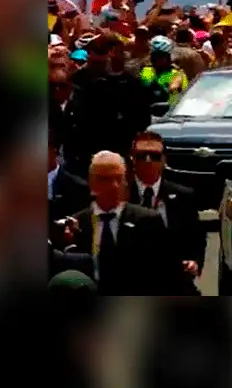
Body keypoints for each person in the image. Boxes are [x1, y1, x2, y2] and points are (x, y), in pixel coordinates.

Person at [66, 151, 179, 295]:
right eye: (106, 179)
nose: (114, 185)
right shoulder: (77, 224)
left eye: (119, 179)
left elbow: (167, 274)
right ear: (92, 182)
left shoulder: (148, 221)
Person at [63, 34, 152, 174]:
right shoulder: (80, 80)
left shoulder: (130, 83)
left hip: (120, 152)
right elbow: (73, 116)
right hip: (86, 154)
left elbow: (142, 118)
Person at [128, 131, 203, 295]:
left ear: (164, 160)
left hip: (174, 281)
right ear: (132, 159)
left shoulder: (184, 197)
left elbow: (196, 239)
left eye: (154, 156)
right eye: (142, 155)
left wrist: (194, 262)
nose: (148, 160)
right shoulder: (122, 195)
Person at [141, 35, 188, 105]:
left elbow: (185, 97)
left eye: (162, 56)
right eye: (156, 56)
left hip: (170, 112)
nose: (158, 59)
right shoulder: (146, 71)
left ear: (168, 57)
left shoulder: (177, 74)